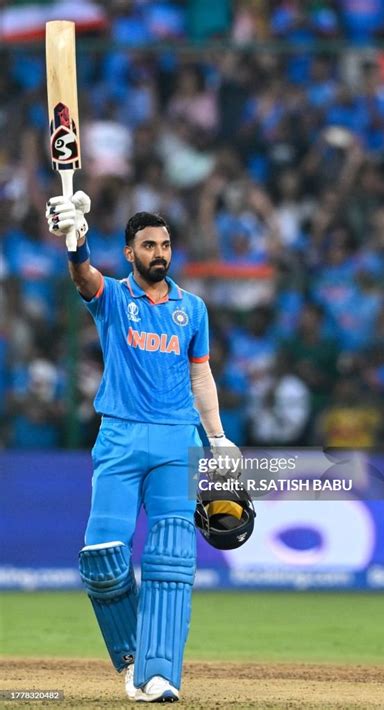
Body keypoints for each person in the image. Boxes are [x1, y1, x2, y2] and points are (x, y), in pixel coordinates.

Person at [45, 191, 241, 703]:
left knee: (171, 561)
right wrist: (76, 242)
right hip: (120, 437)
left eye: (166, 245)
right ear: (130, 253)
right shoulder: (113, 298)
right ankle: (133, 658)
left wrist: (217, 437)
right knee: (102, 557)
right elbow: (83, 277)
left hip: (178, 441)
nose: (160, 253)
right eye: (149, 245)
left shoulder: (192, 309)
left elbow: (202, 378)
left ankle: (161, 674)